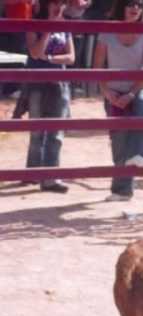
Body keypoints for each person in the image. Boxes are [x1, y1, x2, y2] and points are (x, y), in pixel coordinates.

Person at [93, 0, 143, 202]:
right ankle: (122, 190)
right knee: (119, 140)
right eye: (131, 4)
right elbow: (97, 67)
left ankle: (138, 156)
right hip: (113, 90)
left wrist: (131, 94)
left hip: (141, 87)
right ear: (122, 6)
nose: (135, 8)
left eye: (139, 5)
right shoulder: (108, 31)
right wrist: (106, 92)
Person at [23, 0, 74, 193]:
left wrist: (51, 58)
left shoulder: (65, 25)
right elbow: (35, 52)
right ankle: (33, 173)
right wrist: (48, 29)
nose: (59, 6)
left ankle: (51, 177)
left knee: (56, 132)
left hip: (59, 83)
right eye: (55, 2)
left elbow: (71, 58)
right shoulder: (33, 23)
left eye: (62, 3)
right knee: (37, 132)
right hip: (37, 83)